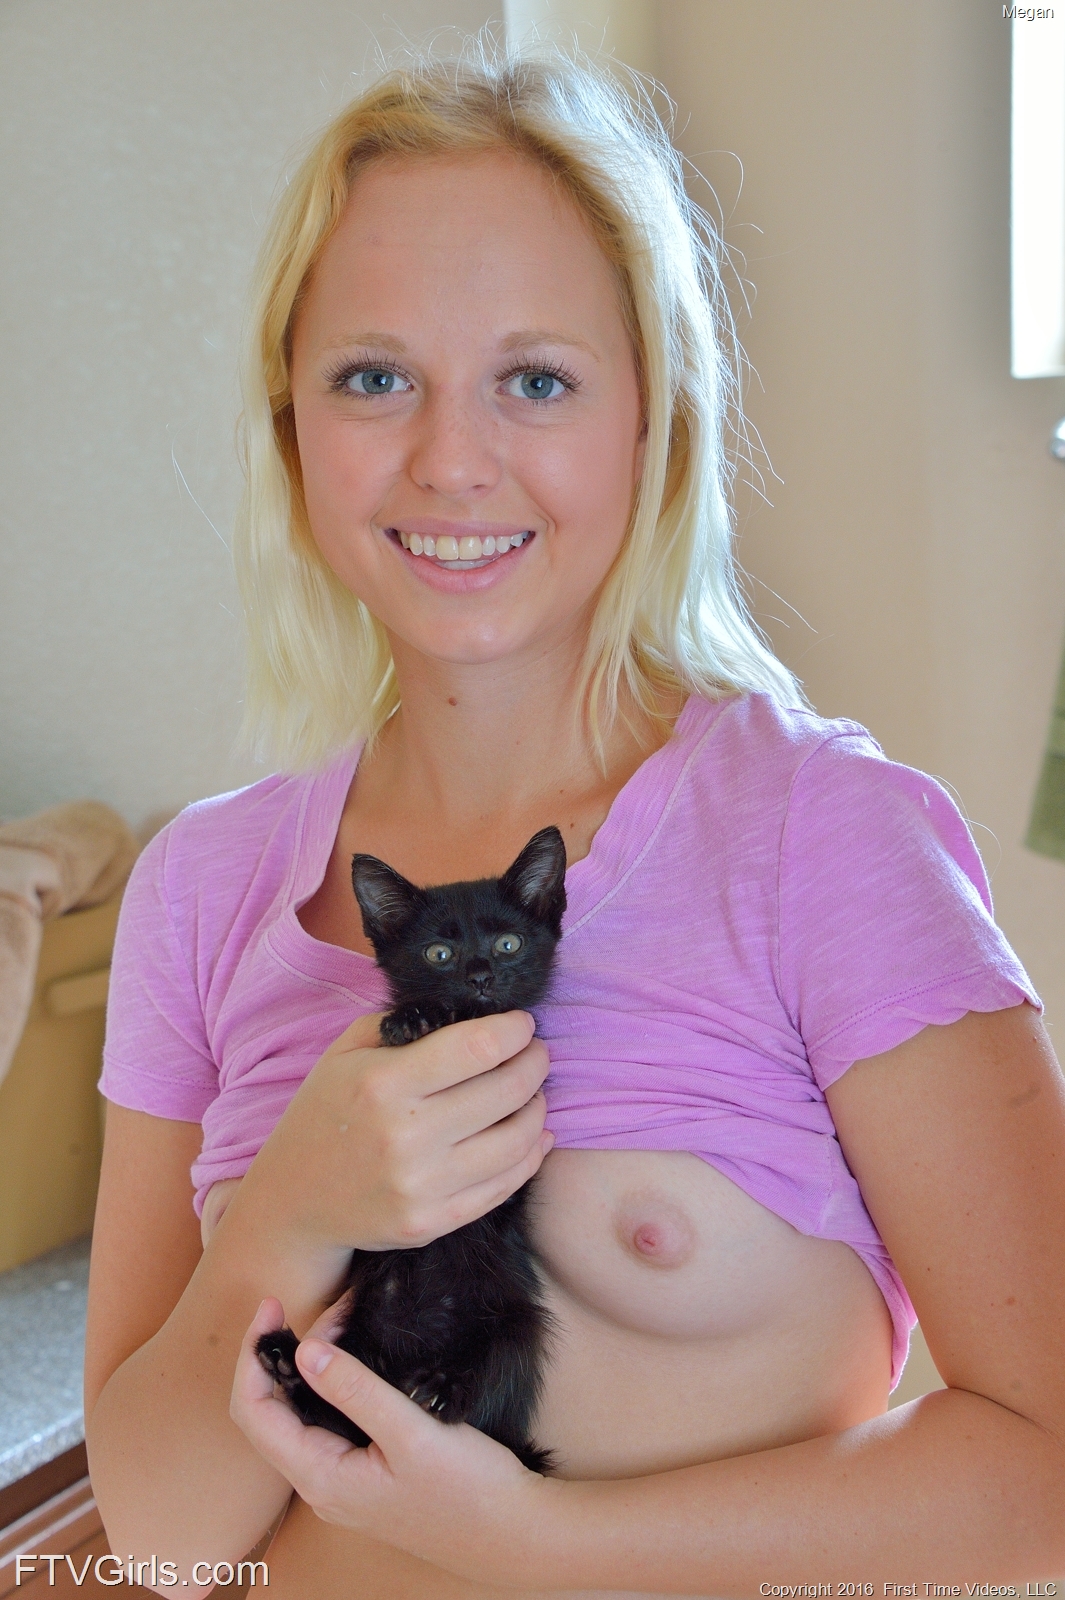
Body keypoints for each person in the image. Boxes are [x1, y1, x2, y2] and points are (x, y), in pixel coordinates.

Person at [84, 47, 1065, 1598]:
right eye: (374, 378)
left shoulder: (823, 837)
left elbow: (1047, 1467)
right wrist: (288, 1212)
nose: (450, 459)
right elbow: (153, 1542)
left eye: (534, 380)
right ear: (289, 426)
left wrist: (548, 1545)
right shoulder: (198, 887)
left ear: (652, 420)